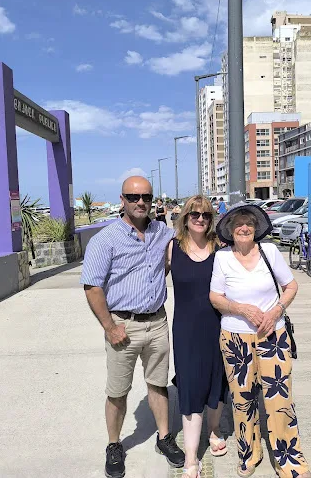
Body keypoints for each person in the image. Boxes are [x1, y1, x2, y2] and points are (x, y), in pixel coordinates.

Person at [81, 176, 185, 478]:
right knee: (117, 391)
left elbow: (192, 238)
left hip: (157, 322)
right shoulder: (105, 239)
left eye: (146, 197)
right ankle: (114, 445)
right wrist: (109, 327)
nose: (140, 202)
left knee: (158, 384)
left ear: (153, 200)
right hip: (123, 325)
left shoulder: (162, 233)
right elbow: (92, 287)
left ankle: (164, 437)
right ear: (122, 199)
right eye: (133, 197)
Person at [209, 204, 311, 478]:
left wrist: (276, 311)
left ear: (256, 229)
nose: (244, 228)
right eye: (238, 224)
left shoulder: (270, 251)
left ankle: (289, 460)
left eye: (249, 224)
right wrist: (240, 309)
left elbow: (291, 286)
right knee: (242, 400)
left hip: (273, 336)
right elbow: (215, 297)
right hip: (235, 338)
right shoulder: (222, 257)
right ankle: (249, 454)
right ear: (230, 229)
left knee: (280, 399)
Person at [166, 195, 228, 478]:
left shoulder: (220, 248)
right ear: (185, 217)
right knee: (190, 386)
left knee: (217, 381)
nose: (200, 219)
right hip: (186, 329)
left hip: (218, 325)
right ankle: (191, 456)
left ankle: (214, 429)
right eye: (195, 214)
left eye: (205, 215)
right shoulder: (172, 247)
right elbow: (149, 276)